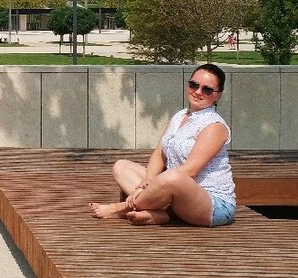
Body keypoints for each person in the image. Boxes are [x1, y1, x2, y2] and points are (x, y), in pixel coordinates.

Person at [89, 63, 236, 226]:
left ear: (218, 96)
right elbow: (159, 153)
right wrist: (148, 180)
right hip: (176, 193)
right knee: (121, 166)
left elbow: (191, 170)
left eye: (207, 89)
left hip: (212, 204)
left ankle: (122, 208)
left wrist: (145, 189)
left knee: (173, 176)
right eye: (194, 85)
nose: (198, 91)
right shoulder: (179, 116)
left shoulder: (215, 126)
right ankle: (160, 214)